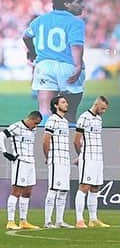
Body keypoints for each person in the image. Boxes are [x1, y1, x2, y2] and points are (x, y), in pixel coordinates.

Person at [23, 0, 86, 124]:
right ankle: (66, 143)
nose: (83, 5)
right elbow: (76, 45)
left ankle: (44, 143)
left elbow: (26, 36)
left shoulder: (40, 20)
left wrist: (32, 52)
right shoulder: (76, 22)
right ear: (67, 4)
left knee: (44, 111)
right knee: (69, 113)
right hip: (67, 66)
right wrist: (78, 66)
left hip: (44, 67)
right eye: (79, 2)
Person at [4, 111, 44, 230]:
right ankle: (10, 221)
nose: (36, 126)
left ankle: (23, 221)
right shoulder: (16, 126)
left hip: (31, 163)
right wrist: (5, 152)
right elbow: (1, 136)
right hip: (20, 162)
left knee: (28, 191)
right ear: (31, 119)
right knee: (16, 190)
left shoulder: (33, 130)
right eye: (36, 123)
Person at [74, 96, 110, 228]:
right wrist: (81, 155)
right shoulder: (84, 117)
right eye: (102, 108)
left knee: (95, 188)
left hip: (98, 158)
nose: (104, 111)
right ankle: (79, 220)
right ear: (96, 104)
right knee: (84, 186)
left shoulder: (99, 119)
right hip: (87, 157)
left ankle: (93, 219)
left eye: (105, 109)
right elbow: (76, 140)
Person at [42, 95, 75, 228]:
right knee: (53, 189)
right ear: (56, 105)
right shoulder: (52, 120)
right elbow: (45, 140)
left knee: (63, 190)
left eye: (66, 102)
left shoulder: (65, 122)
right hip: (56, 159)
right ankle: (48, 221)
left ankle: (59, 221)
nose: (66, 104)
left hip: (65, 160)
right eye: (63, 102)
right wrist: (48, 156)